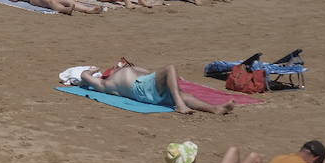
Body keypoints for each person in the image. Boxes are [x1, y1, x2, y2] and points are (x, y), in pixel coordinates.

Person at [79, 62, 236, 114]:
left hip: (149, 90)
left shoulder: (129, 70)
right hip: (141, 88)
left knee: (185, 96)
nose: (118, 65)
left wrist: (173, 79)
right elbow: (84, 76)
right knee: (170, 68)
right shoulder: (108, 83)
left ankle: (215, 109)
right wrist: (92, 71)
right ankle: (179, 105)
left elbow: (151, 74)